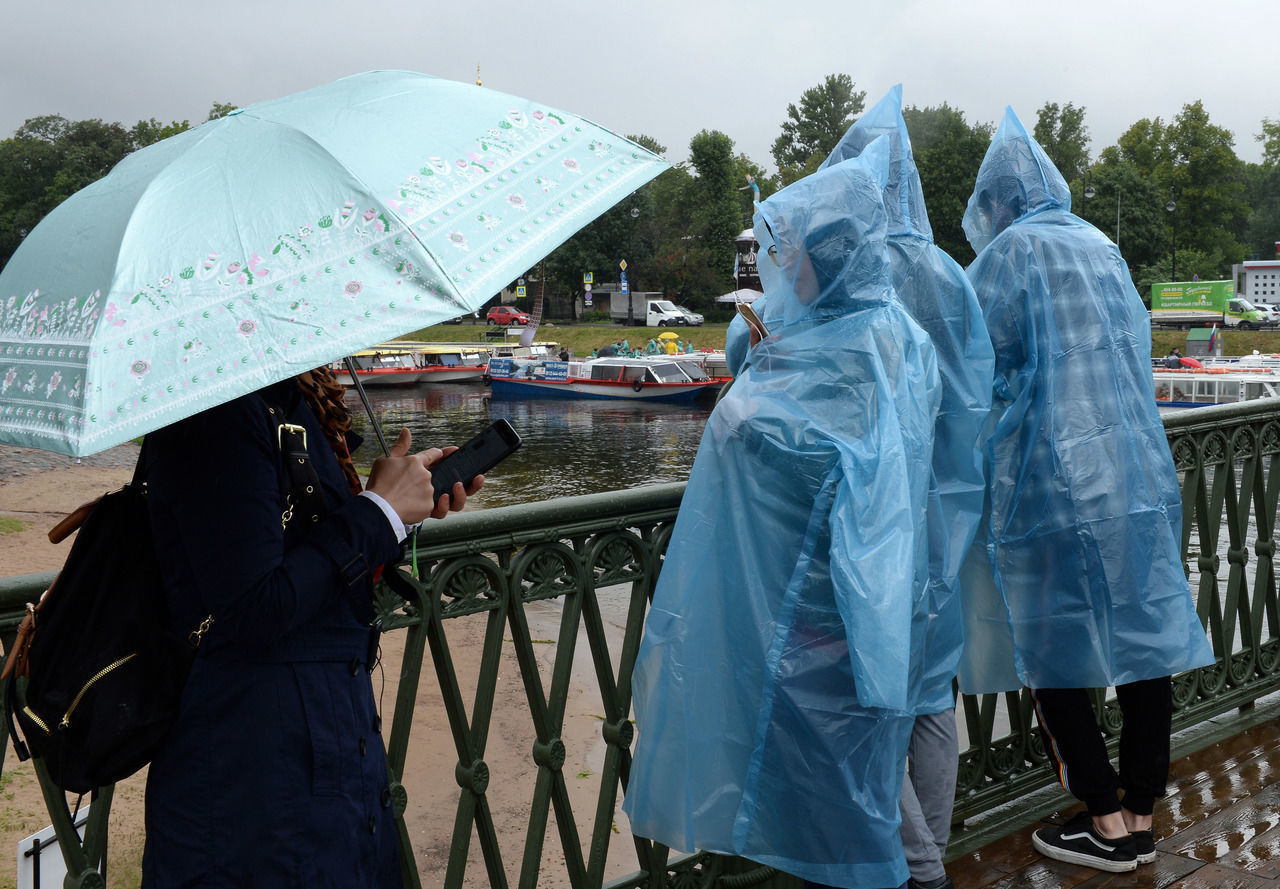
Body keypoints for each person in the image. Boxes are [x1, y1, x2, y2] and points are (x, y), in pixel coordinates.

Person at [625, 138, 940, 889]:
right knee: (863, 799)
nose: (778, 269)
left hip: (816, 622)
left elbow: (774, 444)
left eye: (787, 255)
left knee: (842, 819)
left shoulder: (820, 356)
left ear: (814, 264)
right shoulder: (900, 335)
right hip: (881, 607)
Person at [958, 109, 1214, 874]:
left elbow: (969, 358)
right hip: (1132, 475)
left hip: (1049, 483)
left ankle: (1101, 817)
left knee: (1051, 644)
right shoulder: (1102, 247)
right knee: (1143, 642)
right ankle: (1140, 810)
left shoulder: (1008, 256)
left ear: (996, 201)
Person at [141, 366, 481, 888]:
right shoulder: (217, 409)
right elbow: (254, 604)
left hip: (324, 759)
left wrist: (396, 507)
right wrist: (378, 512)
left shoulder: (291, 397)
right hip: (257, 785)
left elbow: (307, 546)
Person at [820, 84, 995, 889]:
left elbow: (773, 372)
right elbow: (976, 390)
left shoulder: (838, 265)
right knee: (928, 694)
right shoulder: (947, 275)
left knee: (867, 700)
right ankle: (930, 860)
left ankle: (913, 870)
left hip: (864, 519)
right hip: (940, 518)